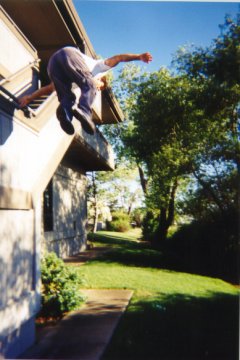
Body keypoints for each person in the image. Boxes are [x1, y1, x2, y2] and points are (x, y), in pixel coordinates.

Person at [19, 46, 152, 135]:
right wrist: (138, 57)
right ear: (103, 79)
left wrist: (29, 98)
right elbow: (119, 58)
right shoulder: (99, 68)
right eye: (101, 87)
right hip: (70, 54)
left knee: (67, 98)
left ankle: (64, 113)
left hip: (53, 65)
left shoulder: (75, 81)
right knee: (89, 84)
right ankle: (83, 110)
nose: (98, 89)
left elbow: (47, 89)